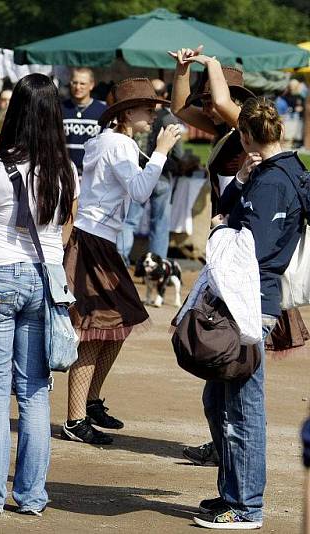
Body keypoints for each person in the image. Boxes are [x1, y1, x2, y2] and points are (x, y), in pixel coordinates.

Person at [170, 46, 310, 466]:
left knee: (237, 368)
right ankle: (227, 445)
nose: (209, 108)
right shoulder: (222, 133)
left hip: (250, 254)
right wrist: (182, 70)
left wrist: (211, 64)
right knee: (227, 372)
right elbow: (179, 107)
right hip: (232, 248)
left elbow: (224, 103)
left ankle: (236, 450)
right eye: (207, 102)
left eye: (213, 101)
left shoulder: (241, 130)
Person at [0, 73, 77, 515]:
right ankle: (31, 497)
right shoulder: (66, 171)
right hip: (44, 280)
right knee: (35, 393)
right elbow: (65, 232)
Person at [192, 97, 304, 530]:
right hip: (253, 299)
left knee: (242, 407)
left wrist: (221, 227)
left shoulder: (275, 180)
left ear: (245, 136)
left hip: (250, 301)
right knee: (220, 395)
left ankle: (246, 506)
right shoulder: (283, 171)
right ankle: (232, 494)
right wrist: (239, 180)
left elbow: (250, 249)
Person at [61, 78, 181, 445]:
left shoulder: (107, 140)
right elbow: (141, 192)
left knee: (120, 323)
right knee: (96, 331)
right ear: (128, 113)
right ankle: (75, 418)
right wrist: (161, 151)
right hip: (94, 241)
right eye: (149, 108)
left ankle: (91, 402)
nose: (154, 114)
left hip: (99, 241)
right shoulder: (120, 143)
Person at [116, 79, 183, 263]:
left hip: (139, 172)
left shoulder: (139, 116)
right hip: (158, 175)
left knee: (130, 220)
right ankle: (158, 264)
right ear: (165, 95)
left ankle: (121, 259)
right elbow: (178, 154)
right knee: (159, 223)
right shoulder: (168, 118)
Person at [61, 68, 107, 176]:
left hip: (92, 174)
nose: (78, 87)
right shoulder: (60, 108)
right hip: (64, 173)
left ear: (91, 85)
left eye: (82, 83)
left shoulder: (103, 111)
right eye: (74, 83)